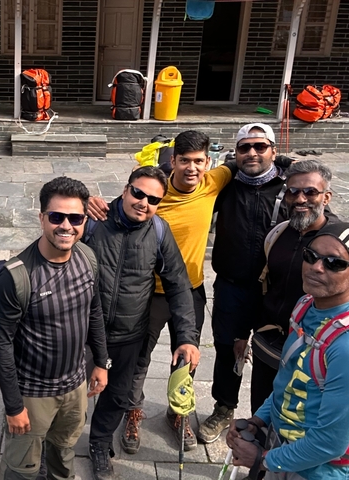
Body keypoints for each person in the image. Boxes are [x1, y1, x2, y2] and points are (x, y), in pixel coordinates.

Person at [88, 130, 235, 453]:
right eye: (185, 161)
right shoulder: (154, 194)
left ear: (209, 163)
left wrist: (280, 165)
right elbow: (122, 207)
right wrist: (88, 202)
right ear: (173, 161)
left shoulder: (214, 181)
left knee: (186, 357)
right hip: (146, 292)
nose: (192, 168)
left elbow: (245, 164)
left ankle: (178, 413)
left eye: (199, 161)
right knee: (138, 360)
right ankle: (133, 410)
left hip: (188, 288)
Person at [227, 222, 349, 480]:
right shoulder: (306, 306)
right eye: (310, 256)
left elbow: (329, 443)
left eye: (334, 263)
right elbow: (287, 383)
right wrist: (258, 421)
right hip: (284, 456)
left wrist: (261, 459)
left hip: (323, 472)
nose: (316, 267)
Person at [82, 166, 200, 480]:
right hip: (83, 333)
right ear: (125, 189)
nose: (143, 202)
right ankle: (54, 445)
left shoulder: (159, 231)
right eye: (138, 193)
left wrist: (187, 336)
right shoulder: (94, 221)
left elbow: (177, 284)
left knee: (118, 397)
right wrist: (81, 200)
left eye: (153, 199)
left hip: (128, 333)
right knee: (71, 397)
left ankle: (99, 443)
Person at [0, 176, 109, 480]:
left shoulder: (87, 259)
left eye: (75, 218)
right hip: (33, 393)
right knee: (22, 467)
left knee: (63, 452)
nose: (66, 226)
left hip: (75, 386)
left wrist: (101, 363)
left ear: (84, 221)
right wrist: (13, 407)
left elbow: (94, 312)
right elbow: (2, 344)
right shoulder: (17, 277)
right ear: (42, 218)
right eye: (56, 217)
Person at [250, 160, 349, 412]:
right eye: (293, 191)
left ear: (326, 197)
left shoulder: (344, 244)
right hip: (269, 347)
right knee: (261, 416)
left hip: (315, 358)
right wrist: (245, 333)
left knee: (298, 425)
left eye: (310, 192)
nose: (300, 199)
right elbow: (261, 287)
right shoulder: (277, 234)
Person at [198, 122, 291, 445]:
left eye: (260, 146)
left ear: (273, 152)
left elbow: (322, 217)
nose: (252, 153)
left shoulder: (288, 188)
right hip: (231, 286)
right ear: (234, 153)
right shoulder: (225, 184)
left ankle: (261, 419)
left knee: (270, 358)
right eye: (244, 147)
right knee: (226, 350)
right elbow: (176, 172)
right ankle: (224, 407)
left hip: (274, 292)